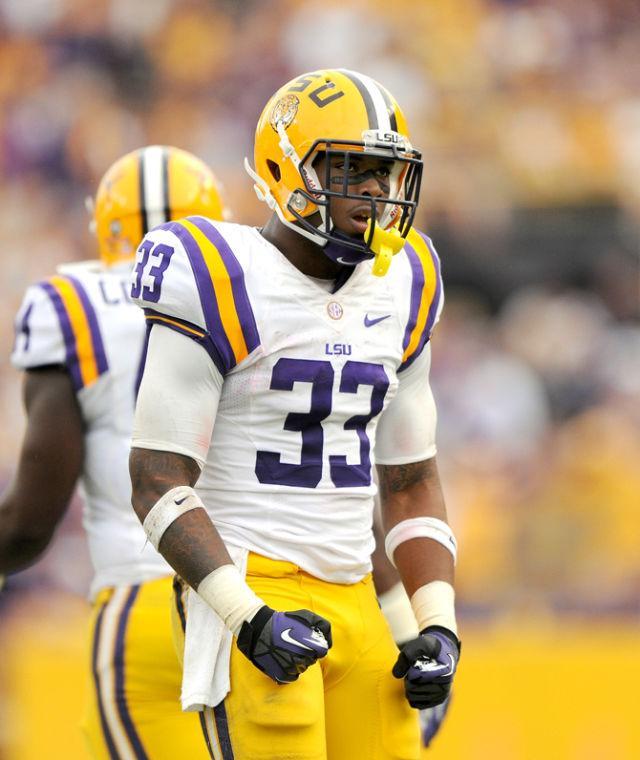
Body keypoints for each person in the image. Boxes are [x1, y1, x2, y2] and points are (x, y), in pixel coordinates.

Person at [129, 69, 460, 760]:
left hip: (356, 592)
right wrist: (245, 618)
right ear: (287, 167)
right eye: (352, 168)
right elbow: (156, 478)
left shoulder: (406, 282)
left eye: (388, 172)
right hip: (249, 584)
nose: (375, 190)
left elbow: (409, 481)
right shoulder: (218, 273)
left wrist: (435, 623)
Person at [0, 145, 227, 760]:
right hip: (264, 597)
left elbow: (28, 523)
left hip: (148, 596)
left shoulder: (71, 307)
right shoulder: (261, 295)